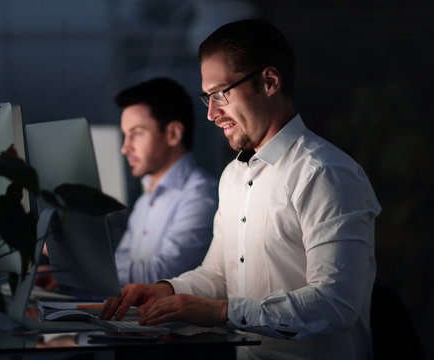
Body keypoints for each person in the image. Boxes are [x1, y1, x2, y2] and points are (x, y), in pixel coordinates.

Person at [102, 19, 381, 360]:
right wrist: (166, 290)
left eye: (221, 94)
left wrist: (223, 312)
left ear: (269, 82)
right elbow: (218, 274)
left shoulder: (326, 174)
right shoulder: (233, 176)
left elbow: (335, 304)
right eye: (206, 97)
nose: (211, 114)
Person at [113, 77, 218, 285]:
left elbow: (163, 275)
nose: (125, 148)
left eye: (137, 134)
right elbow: (122, 262)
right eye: (126, 135)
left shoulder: (201, 195)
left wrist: (80, 265)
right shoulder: (147, 196)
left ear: (173, 134)